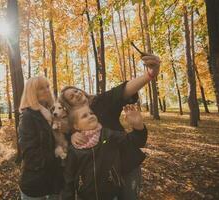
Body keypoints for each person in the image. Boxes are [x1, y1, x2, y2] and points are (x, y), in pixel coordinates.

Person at [59, 54, 160, 199]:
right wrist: (72, 136)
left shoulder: (101, 101)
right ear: (68, 105)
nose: (76, 94)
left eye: (75, 90)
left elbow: (123, 90)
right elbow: (63, 144)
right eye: (70, 96)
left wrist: (149, 74)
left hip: (126, 164)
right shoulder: (72, 124)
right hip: (102, 178)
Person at [62, 105, 147, 200]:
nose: (90, 116)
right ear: (76, 126)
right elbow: (68, 179)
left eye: (91, 113)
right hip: (85, 196)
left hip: (111, 195)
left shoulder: (108, 135)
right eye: (84, 116)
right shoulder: (74, 150)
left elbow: (135, 141)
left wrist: (138, 126)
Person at [18, 76, 62, 200]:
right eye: (41, 88)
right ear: (32, 92)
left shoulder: (53, 112)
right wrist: (57, 156)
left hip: (55, 182)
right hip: (35, 184)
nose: (47, 90)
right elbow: (30, 154)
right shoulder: (28, 116)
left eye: (47, 87)